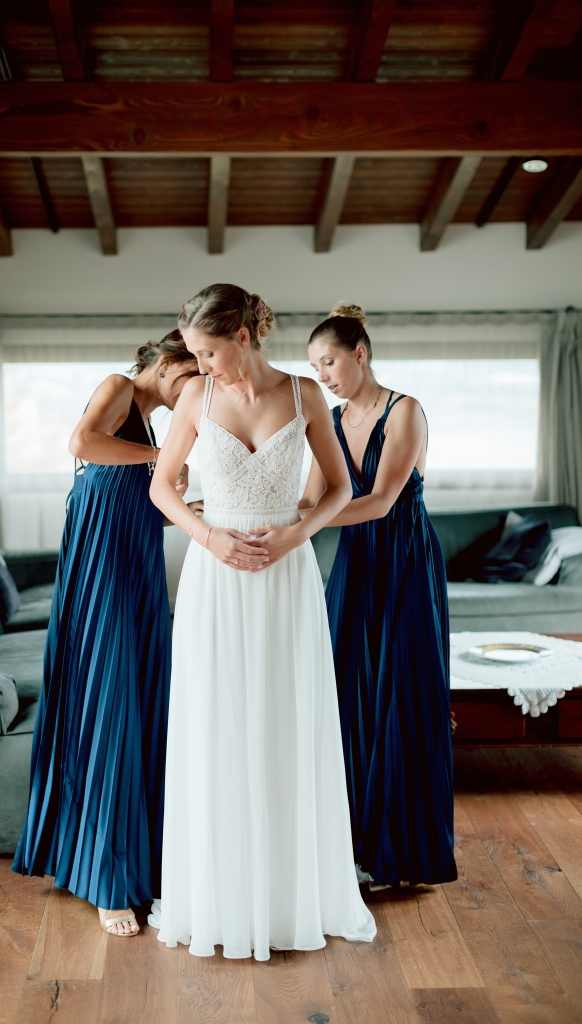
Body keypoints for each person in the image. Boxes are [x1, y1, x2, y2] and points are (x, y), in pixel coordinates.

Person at [149, 284, 376, 960]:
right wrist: (207, 537)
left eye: (208, 352)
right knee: (217, 725)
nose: (200, 365)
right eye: (195, 354)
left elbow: (340, 487)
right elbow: (162, 486)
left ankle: (288, 898)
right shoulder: (196, 397)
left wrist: (295, 534)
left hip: (286, 578)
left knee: (285, 724)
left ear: (243, 337)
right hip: (215, 580)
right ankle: (220, 897)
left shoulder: (305, 396)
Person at [12, 331, 199, 936]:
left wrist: (186, 505)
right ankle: (105, 878)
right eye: (189, 376)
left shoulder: (149, 423)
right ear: (165, 364)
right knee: (109, 707)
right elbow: (81, 442)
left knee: (143, 706)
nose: (192, 390)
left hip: (138, 574)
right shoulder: (119, 388)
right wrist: (163, 459)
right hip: (102, 577)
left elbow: (132, 504)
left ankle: (140, 861)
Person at [301, 304, 457, 889]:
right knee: (345, 693)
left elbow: (381, 502)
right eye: (315, 368)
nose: (322, 376)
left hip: (404, 561)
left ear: (359, 354)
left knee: (400, 693)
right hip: (355, 565)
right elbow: (311, 498)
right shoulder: (331, 419)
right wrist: (251, 516)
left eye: (329, 362)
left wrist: (302, 524)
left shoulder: (405, 410)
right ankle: (354, 847)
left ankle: (405, 855)